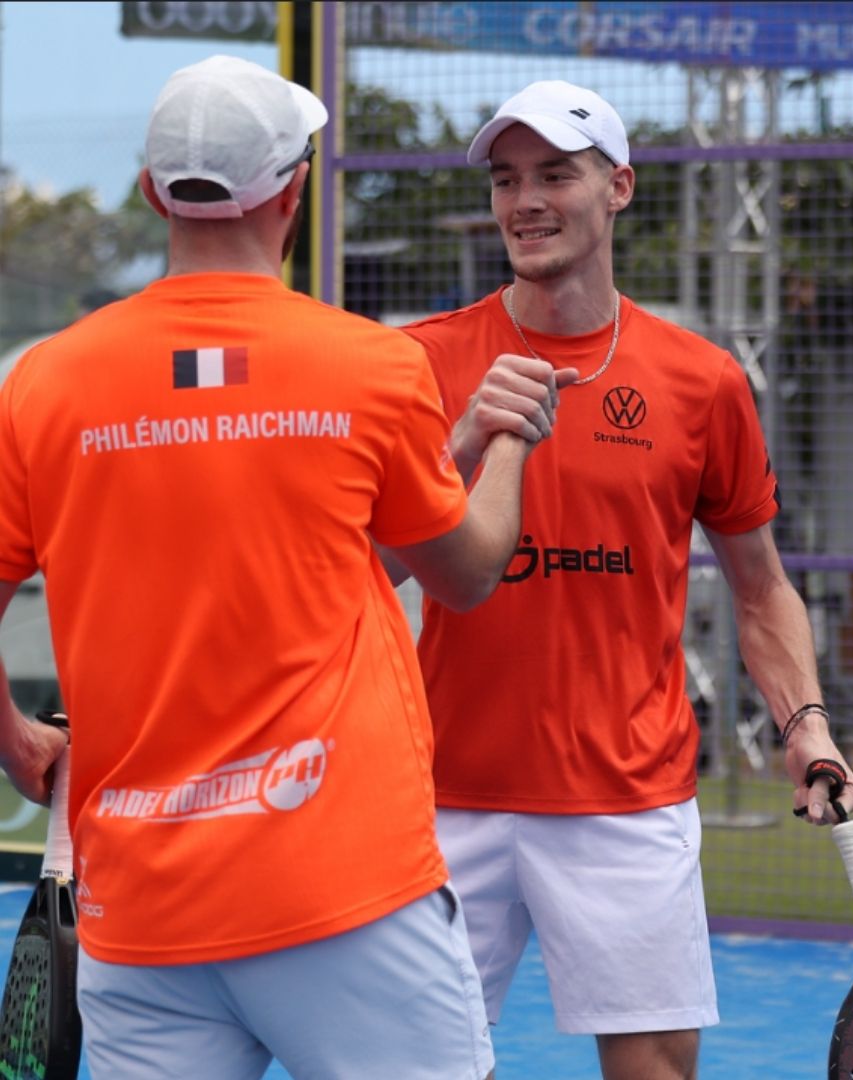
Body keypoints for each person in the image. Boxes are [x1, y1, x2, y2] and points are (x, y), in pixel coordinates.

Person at [0, 55, 560, 1079]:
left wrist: (13, 739)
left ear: (150, 192)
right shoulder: (373, 367)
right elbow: (467, 572)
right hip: (346, 892)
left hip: (141, 911)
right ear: (294, 190)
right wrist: (508, 436)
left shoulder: (43, 384)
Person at [397, 81, 853, 1080]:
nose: (524, 200)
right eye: (506, 178)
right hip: (436, 792)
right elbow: (352, 564)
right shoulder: (418, 363)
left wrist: (805, 723)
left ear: (618, 188)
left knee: (654, 1069)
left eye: (554, 175)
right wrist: (465, 439)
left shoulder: (702, 380)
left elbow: (761, 586)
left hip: (627, 798)